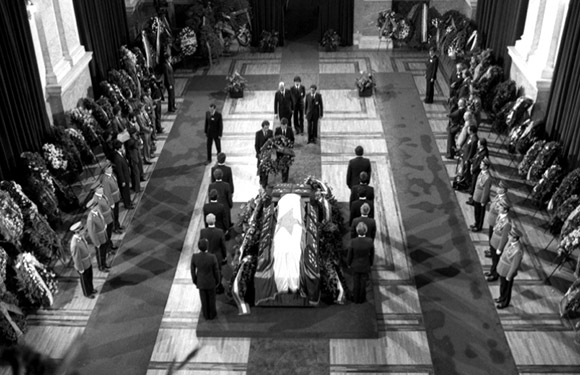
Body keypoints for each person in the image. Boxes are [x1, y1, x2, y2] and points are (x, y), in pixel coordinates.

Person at [190, 238, 220, 320]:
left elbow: (192, 270)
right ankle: (212, 314)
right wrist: (217, 281)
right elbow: (216, 271)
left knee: (203, 299)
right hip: (211, 282)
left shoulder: (195, 257)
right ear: (207, 247)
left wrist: (195, 280)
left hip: (201, 282)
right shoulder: (212, 257)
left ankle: (206, 314)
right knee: (212, 299)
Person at [495, 226, 524, 309]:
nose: (508, 235)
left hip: (508, 271)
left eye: (510, 235)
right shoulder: (510, 242)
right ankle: (501, 297)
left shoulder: (518, 250)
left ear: (514, 238)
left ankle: (505, 302)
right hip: (503, 268)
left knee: (507, 287)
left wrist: (509, 275)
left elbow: (515, 265)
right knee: (502, 285)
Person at [347, 222, 374, 304]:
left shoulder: (353, 242)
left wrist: (348, 263)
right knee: (363, 282)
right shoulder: (370, 241)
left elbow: (350, 254)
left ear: (357, 231)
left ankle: (356, 299)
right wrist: (371, 263)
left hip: (355, 265)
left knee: (356, 282)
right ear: (365, 231)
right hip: (365, 265)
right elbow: (372, 254)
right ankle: (362, 299)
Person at [200, 214, 228, 294]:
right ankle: (218, 287)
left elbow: (201, 244)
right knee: (217, 271)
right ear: (215, 220)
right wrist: (224, 255)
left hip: (207, 255)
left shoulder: (203, 232)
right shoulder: (219, 232)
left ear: (206, 221)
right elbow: (223, 245)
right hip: (217, 256)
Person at [70, 221, 97, 299]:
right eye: (82, 229)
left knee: (89, 277)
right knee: (85, 280)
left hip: (87, 261)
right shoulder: (74, 244)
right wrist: (81, 269)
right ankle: (87, 293)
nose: (84, 230)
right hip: (82, 265)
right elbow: (76, 258)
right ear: (77, 231)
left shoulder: (80, 237)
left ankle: (91, 289)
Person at [486, 201, 512, 282]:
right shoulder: (501, 216)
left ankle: (495, 275)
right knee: (494, 259)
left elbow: (504, 237)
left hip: (498, 243)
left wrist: (500, 248)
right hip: (494, 239)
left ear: (505, 210)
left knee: (496, 260)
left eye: (501, 207)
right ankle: (492, 271)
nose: (498, 208)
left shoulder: (507, 222)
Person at [485, 181, 511, 257]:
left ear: (504, 190)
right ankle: (491, 249)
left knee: (492, 236)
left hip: (496, 221)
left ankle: (492, 250)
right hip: (494, 219)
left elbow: (500, 211)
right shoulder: (499, 196)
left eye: (500, 187)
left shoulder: (504, 200)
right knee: (491, 236)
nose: (497, 188)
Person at [86, 197, 110, 272]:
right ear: (92, 207)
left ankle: (104, 263)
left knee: (104, 251)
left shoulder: (97, 212)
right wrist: (97, 243)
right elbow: (92, 233)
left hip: (103, 235)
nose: (97, 206)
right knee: (100, 253)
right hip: (98, 239)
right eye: (96, 205)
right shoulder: (91, 219)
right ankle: (101, 266)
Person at [100, 164, 124, 233]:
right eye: (110, 168)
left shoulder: (111, 175)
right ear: (106, 170)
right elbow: (107, 193)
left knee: (116, 214)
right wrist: (111, 203)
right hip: (113, 200)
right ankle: (115, 228)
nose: (111, 169)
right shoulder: (106, 180)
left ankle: (118, 225)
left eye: (111, 168)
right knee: (114, 215)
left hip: (116, 198)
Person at [92, 186, 118, 250]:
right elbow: (99, 213)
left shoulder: (102, 195)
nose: (102, 188)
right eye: (100, 188)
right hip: (105, 220)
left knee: (109, 234)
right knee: (107, 236)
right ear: (96, 190)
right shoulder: (96, 200)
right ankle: (108, 248)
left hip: (109, 217)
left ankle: (110, 246)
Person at [470, 157, 491, 233]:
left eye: (482, 164)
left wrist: (483, 201)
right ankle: (476, 223)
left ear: (486, 166)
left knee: (480, 213)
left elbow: (486, 191)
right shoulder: (481, 172)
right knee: (476, 212)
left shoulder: (487, 177)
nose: (480, 165)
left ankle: (479, 226)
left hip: (481, 198)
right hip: (477, 195)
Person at [112, 140, 134, 209]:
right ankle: (127, 204)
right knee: (125, 192)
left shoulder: (120, 155)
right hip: (123, 178)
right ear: (119, 148)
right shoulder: (117, 158)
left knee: (127, 191)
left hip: (126, 176)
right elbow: (119, 171)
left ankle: (129, 202)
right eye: (122, 146)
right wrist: (122, 181)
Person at [274, 118, 295, 183]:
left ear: (286, 125)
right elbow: (275, 140)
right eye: (282, 125)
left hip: (287, 151)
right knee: (281, 165)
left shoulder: (289, 129)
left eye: (285, 125)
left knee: (287, 165)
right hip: (280, 152)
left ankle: (285, 179)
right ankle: (283, 177)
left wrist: (289, 144)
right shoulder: (277, 130)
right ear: (281, 125)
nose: (283, 127)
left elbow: (292, 139)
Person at [255, 120, 273, 188]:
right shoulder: (258, 133)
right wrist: (258, 153)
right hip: (260, 154)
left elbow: (272, 143)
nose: (267, 129)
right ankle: (261, 180)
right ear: (262, 127)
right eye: (265, 128)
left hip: (267, 154)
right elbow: (256, 145)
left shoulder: (270, 132)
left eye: (268, 127)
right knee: (260, 167)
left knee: (267, 168)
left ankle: (265, 182)